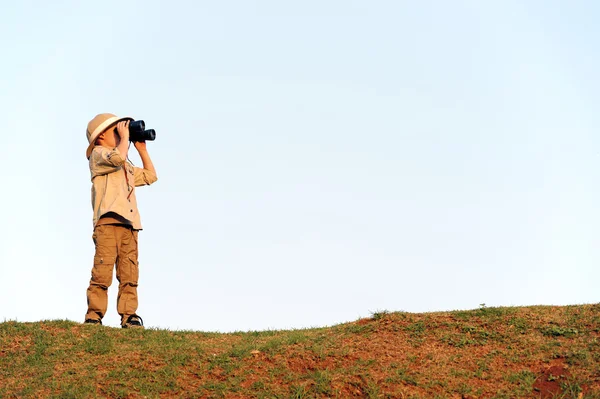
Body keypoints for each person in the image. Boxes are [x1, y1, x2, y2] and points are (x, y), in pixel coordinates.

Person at [83, 113, 158, 328]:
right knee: (102, 270)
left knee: (129, 272)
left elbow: (150, 176)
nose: (120, 132)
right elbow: (116, 158)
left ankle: (129, 315)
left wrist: (142, 149)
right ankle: (94, 315)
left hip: (130, 224)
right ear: (100, 137)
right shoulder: (98, 155)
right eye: (115, 130)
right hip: (107, 222)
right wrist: (125, 140)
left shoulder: (124, 165)